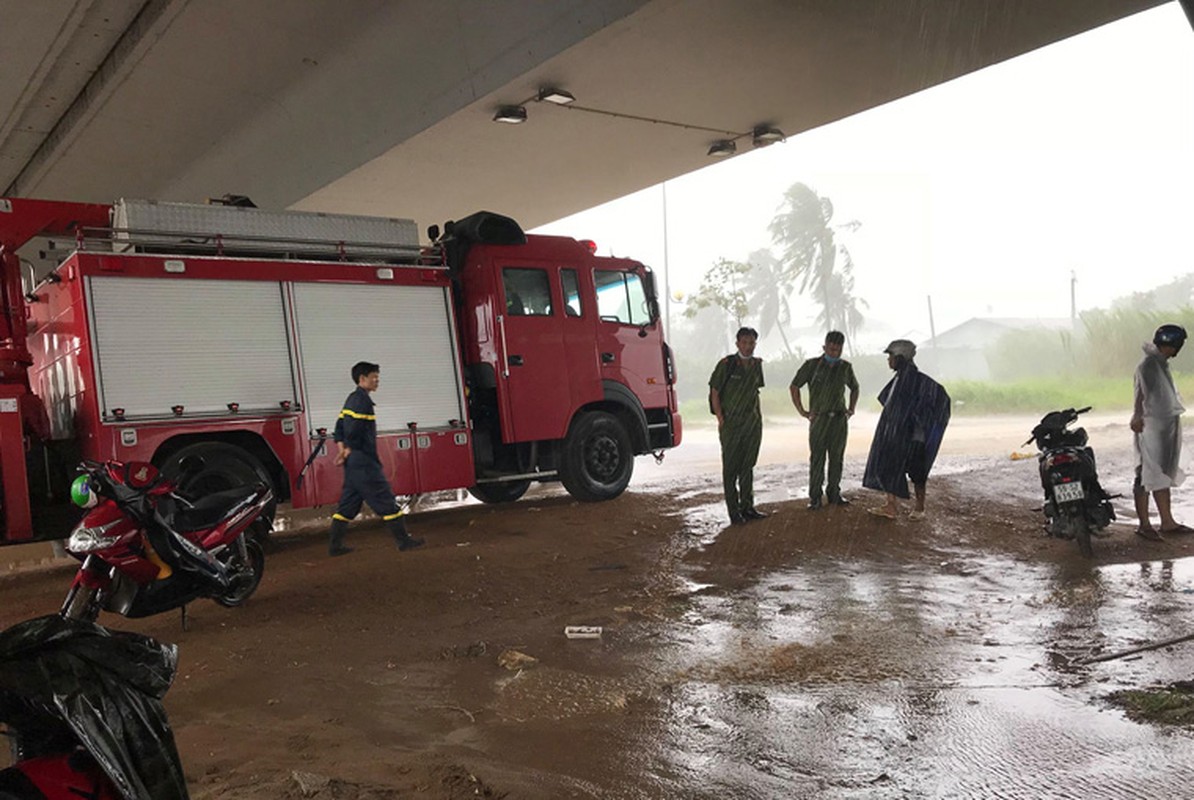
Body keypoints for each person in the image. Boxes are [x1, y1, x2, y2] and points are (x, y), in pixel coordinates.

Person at [327, 361, 424, 556]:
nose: (377, 380)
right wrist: (348, 448)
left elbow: (339, 427)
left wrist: (343, 449)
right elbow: (353, 431)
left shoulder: (351, 399)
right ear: (362, 379)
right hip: (363, 461)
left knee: (347, 505)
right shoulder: (362, 401)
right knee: (385, 498)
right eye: (374, 377)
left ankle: (335, 547)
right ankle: (404, 541)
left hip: (353, 462)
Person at [862, 340, 951, 520]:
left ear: (901, 358)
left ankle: (919, 508)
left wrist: (918, 421)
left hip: (913, 437)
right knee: (890, 466)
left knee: (917, 472)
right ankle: (891, 506)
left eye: (891, 357)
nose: (889, 361)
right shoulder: (899, 379)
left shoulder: (917, 381)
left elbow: (940, 400)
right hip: (896, 436)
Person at [1130, 323, 1189, 541]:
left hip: (1163, 426)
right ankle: (1144, 524)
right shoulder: (1148, 365)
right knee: (1145, 473)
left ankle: (1167, 521)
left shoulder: (1159, 363)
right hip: (1151, 426)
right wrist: (1137, 415)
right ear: (1172, 343)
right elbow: (1141, 392)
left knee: (1161, 472)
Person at [790, 330, 860, 510]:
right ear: (824, 347)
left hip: (838, 420)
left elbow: (855, 388)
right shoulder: (811, 365)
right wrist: (803, 411)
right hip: (819, 420)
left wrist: (851, 409)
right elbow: (794, 386)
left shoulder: (845, 367)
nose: (834, 353)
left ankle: (834, 494)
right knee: (817, 459)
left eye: (838, 350)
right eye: (831, 349)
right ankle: (815, 497)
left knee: (837, 459)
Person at [709, 327, 767, 524]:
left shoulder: (756, 365)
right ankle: (734, 512)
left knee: (747, 466)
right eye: (745, 342)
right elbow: (714, 391)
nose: (748, 346)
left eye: (752, 343)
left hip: (752, 424)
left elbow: (755, 393)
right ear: (737, 343)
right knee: (731, 469)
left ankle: (748, 507)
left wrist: (758, 419)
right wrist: (720, 417)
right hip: (732, 424)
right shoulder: (727, 365)